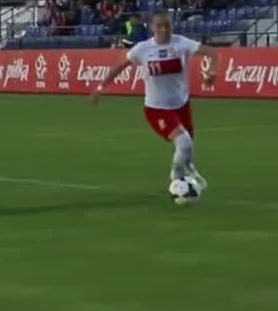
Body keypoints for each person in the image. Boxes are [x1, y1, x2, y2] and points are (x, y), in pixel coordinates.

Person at [90, 11, 219, 198]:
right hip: (156, 109)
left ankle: (189, 172)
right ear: (152, 27)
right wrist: (101, 87)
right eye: (159, 26)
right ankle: (176, 180)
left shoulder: (182, 43)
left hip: (181, 105)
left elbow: (212, 52)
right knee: (184, 142)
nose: (164, 30)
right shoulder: (142, 49)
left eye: (167, 25)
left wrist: (213, 72)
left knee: (188, 146)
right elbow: (119, 66)